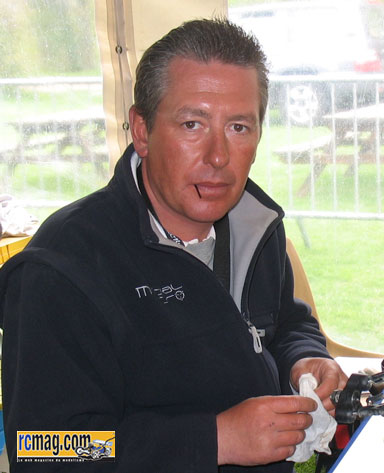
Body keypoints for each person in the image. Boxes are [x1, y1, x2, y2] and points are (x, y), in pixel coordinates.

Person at [0, 18, 347, 471]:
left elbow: (285, 323)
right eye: (192, 124)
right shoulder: (63, 267)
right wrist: (214, 441)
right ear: (141, 131)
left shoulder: (255, 225)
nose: (218, 156)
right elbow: (44, 448)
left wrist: (306, 358)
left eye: (239, 127)